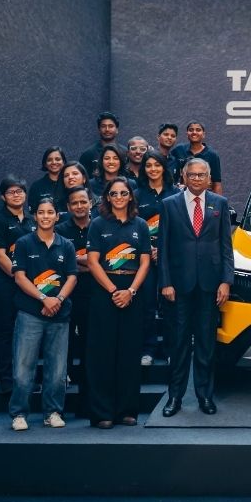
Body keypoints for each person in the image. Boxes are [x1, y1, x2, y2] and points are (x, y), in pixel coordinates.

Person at [158, 158, 234, 417]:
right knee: (178, 344)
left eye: (202, 175)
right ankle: (175, 398)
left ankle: (205, 396)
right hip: (178, 287)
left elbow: (226, 246)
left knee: (205, 344)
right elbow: (163, 247)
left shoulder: (220, 203)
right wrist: (165, 282)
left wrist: (226, 281)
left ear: (209, 178)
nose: (197, 179)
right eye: (193, 175)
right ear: (184, 176)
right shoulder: (169, 204)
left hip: (210, 286)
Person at [85, 178, 150, 428]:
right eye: (114, 193)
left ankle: (127, 410)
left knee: (129, 353)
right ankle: (102, 412)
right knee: (103, 353)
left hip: (132, 292)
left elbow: (145, 262)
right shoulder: (98, 224)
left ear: (131, 196)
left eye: (124, 193)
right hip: (105, 291)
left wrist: (130, 291)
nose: (119, 197)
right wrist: (114, 291)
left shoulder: (140, 225)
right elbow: (92, 262)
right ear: (107, 197)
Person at [9, 198, 77, 431]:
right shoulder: (24, 243)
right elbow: (19, 277)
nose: (46, 216)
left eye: (50, 212)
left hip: (59, 315)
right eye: (41, 212)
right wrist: (43, 298)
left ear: (57, 216)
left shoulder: (66, 245)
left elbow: (72, 277)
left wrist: (58, 300)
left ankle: (53, 412)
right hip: (30, 313)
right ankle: (19, 414)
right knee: (23, 368)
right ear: (35, 216)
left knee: (57, 371)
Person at [0, 177, 36, 394]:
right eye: (11, 192)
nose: (16, 195)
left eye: (20, 191)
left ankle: (25, 379)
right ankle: (6, 379)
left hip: (27, 282)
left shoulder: (32, 221)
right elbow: (0, 255)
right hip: (3, 281)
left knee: (26, 330)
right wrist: (20, 278)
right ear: (3, 197)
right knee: (5, 329)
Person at [134, 152, 178, 366]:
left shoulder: (176, 193)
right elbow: (133, 227)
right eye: (148, 165)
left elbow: (180, 229)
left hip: (170, 257)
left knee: (170, 305)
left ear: (164, 167)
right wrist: (148, 249)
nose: (153, 169)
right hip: (145, 258)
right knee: (147, 305)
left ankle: (170, 349)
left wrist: (163, 250)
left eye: (157, 165)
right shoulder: (137, 194)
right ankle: (148, 350)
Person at [56, 186, 93, 413]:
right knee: (63, 348)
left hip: (93, 296)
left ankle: (87, 402)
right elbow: (59, 262)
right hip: (65, 296)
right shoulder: (59, 230)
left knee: (90, 348)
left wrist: (77, 262)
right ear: (68, 207)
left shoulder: (99, 227)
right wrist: (85, 262)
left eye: (83, 201)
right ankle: (57, 405)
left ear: (91, 203)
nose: (79, 206)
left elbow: (102, 261)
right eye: (75, 203)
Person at [170, 121, 223, 194]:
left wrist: (218, 201)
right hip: (181, 195)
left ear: (203, 134)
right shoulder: (178, 150)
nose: (194, 132)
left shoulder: (212, 155)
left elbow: (217, 183)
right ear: (187, 134)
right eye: (191, 130)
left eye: (198, 130)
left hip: (203, 196)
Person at [78, 111, 124, 178]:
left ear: (117, 130)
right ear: (99, 130)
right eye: (103, 126)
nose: (107, 129)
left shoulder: (124, 152)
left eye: (111, 126)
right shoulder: (88, 154)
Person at [28, 147, 67, 213]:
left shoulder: (70, 183)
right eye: (49, 160)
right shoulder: (36, 186)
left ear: (63, 162)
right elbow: (33, 212)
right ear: (45, 164)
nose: (54, 162)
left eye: (57, 159)